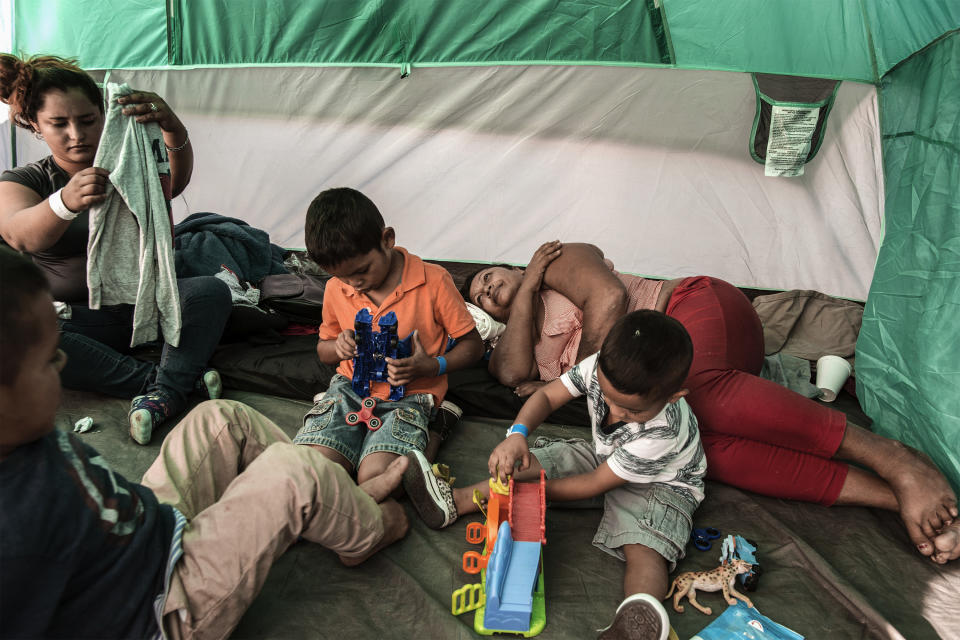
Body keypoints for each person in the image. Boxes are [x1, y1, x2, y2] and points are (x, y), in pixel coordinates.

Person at [461, 241, 960, 565]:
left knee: (697, 396)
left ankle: (892, 457)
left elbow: (611, 298)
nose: (485, 289)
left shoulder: (556, 259)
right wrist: (520, 297)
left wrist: (601, 374)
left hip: (696, 311)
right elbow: (509, 372)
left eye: (488, 275)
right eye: (480, 297)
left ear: (512, 259)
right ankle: (890, 496)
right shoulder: (521, 315)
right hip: (655, 389)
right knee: (700, 449)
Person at [0, 246, 411, 638]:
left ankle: (327, 502)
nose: (64, 363)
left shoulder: (20, 433)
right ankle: (367, 530)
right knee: (292, 472)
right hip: (161, 610)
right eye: (49, 359)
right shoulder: (14, 526)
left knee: (219, 418)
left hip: (153, 536)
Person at [403, 310, 706, 640]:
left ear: (673, 397)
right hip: (609, 456)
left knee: (643, 543)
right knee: (536, 462)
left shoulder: (663, 431)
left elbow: (595, 484)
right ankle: (454, 502)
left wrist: (538, 492)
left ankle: (639, 614)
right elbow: (547, 395)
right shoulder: (598, 367)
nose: (616, 413)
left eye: (632, 411)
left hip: (662, 485)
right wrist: (517, 435)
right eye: (607, 399)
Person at [0, 53, 232, 445]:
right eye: (59, 124)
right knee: (24, 332)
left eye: (88, 120)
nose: (76, 134)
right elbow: (20, 234)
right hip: (79, 321)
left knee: (209, 292)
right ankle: (167, 384)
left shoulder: (131, 163)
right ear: (36, 126)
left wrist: (172, 129)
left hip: (148, 305)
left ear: (104, 114)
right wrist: (64, 202)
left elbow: (170, 186)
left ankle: (164, 388)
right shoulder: (26, 179)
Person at [292, 187, 484, 484]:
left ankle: (436, 429)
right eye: (343, 277)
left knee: (380, 479)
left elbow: (473, 345)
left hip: (409, 396)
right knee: (315, 472)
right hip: (349, 390)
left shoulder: (433, 281)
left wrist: (433, 366)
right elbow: (323, 350)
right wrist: (338, 347)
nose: (354, 284)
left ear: (387, 239)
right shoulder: (336, 289)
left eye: (362, 270)